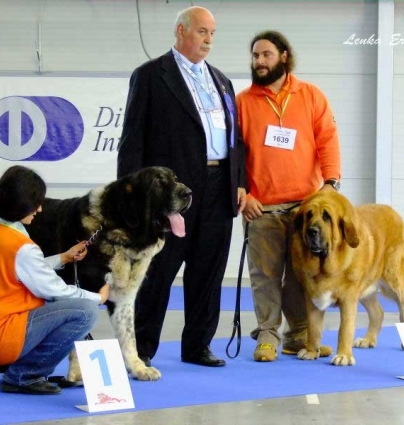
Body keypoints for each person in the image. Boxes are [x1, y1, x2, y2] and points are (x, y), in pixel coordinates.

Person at [117, 6, 246, 368]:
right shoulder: (151, 75)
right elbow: (131, 143)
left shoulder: (222, 80)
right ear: (181, 32)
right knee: (158, 270)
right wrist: (133, 198)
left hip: (220, 187)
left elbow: (235, 139)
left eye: (212, 34)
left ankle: (197, 346)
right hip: (171, 192)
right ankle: (141, 349)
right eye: (202, 32)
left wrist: (240, 182)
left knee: (209, 271)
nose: (208, 40)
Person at [0, 165, 109, 394]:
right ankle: (24, 376)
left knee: (52, 309)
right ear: (18, 203)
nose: (40, 209)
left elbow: (20, 269)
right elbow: (55, 290)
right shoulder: (20, 245)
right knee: (84, 312)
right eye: (35, 203)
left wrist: (62, 257)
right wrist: (97, 298)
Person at [236, 31, 341, 362]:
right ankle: (267, 335)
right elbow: (233, 153)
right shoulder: (241, 102)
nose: (259, 61)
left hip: (305, 209)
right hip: (261, 207)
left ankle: (298, 336)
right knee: (264, 275)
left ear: (284, 56)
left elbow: (328, 139)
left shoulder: (310, 95)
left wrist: (331, 182)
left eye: (266, 55)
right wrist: (243, 193)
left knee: (300, 275)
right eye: (255, 56)